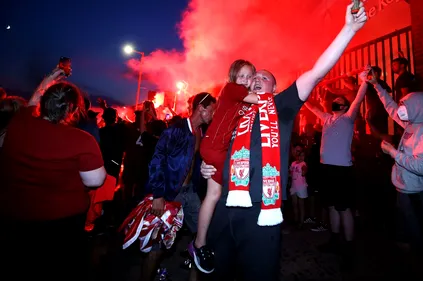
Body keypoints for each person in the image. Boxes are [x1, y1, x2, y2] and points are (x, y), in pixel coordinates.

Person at [200, 4, 367, 280]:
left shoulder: (281, 106)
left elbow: (316, 72)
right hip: (224, 210)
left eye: (264, 78)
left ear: (274, 88)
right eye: (253, 77)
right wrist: (208, 167)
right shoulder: (236, 111)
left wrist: (348, 29)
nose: (256, 80)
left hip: (259, 213)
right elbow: (216, 147)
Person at [0, 75, 106, 281]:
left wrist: (48, 79)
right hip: (61, 226)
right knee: (59, 269)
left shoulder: (20, 122)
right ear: (73, 110)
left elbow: (31, 103)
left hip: (15, 219)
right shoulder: (82, 140)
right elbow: (95, 181)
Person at [192, 59, 259, 273]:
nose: (246, 80)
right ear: (233, 77)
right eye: (242, 76)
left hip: (216, 149)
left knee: (214, 195)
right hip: (214, 147)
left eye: (250, 76)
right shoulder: (232, 89)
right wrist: (276, 95)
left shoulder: (242, 102)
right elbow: (259, 99)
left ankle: (200, 243)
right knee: (223, 194)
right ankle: (201, 244)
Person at [140, 92, 216, 281]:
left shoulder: (201, 132)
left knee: (203, 236)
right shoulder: (176, 130)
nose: (214, 114)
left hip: (190, 193)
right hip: (170, 194)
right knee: (158, 246)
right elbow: (157, 161)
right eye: (212, 110)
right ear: (202, 108)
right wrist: (158, 195)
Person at [365, 70, 423, 252]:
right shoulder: (412, 125)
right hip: (404, 189)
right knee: (405, 235)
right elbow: (391, 108)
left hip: (415, 194)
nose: (401, 109)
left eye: (406, 105)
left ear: (418, 106)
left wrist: (392, 152)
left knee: (418, 237)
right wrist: (376, 85)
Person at [304, 70, 370, 261]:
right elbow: (310, 105)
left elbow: (359, 98)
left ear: (343, 105)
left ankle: (349, 248)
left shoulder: (348, 118)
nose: (335, 100)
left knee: (344, 208)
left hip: (342, 171)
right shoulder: (327, 118)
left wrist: (364, 80)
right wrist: (301, 91)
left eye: (338, 99)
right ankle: (334, 241)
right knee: (332, 207)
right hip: (327, 169)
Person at [290, 150, 308, 228]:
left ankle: (301, 221)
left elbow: (304, 170)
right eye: (300, 155)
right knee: (294, 204)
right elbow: (291, 172)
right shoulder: (293, 163)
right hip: (294, 186)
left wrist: (304, 171)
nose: (301, 157)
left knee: (301, 205)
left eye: (303, 156)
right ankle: (296, 220)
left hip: (301, 187)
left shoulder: (303, 164)